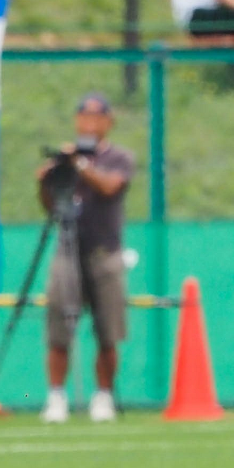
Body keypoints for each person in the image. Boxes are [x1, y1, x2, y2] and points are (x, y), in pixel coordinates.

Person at [38, 94, 135, 424]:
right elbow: (51, 206)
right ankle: (56, 397)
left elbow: (109, 188)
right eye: (84, 115)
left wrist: (80, 165)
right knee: (58, 326)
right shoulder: (68, 160)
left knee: (108, 328)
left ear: (109, 121)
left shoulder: (118, 157)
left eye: (97, 116)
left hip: (104, 252)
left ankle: (103, 396)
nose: (90, 122)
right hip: (67, 250)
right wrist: (49, 179)